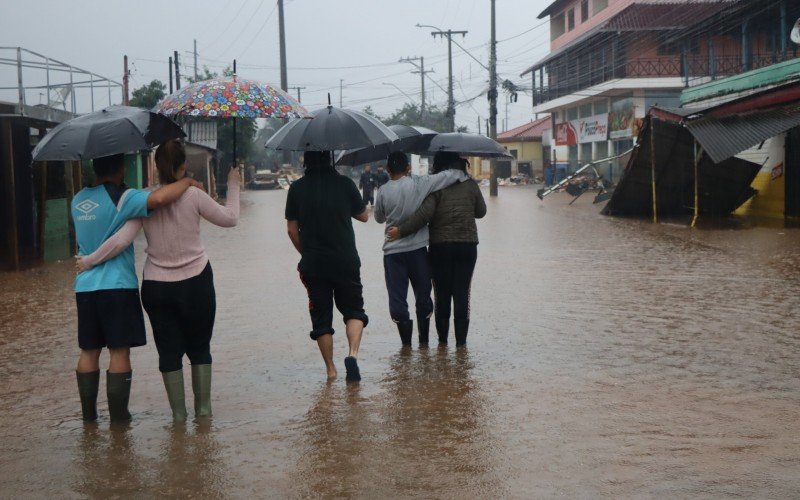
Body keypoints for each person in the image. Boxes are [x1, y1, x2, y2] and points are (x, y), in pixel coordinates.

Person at [77, 140, 240, 422]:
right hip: (196, 282)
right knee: (200, 349)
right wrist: (233, 184)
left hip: (157, 287)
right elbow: (231, 218)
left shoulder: (140, 200)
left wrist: (89, 260)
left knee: (168, 352)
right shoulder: (194, 195)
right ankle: (203, 413)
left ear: (154, 166)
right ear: (183, 165)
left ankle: (178, 417)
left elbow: (120, 241)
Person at [387, 152, 486, 347]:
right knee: (462, 293)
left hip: (440, 247)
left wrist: (400, 231)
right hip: (467, 245)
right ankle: (461, 345)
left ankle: (442, 343)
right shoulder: (471, 185)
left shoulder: (436, 188)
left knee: (442, 293)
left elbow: (423, 216)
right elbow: (481, 212)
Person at [286, 150, 369, 381]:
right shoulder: (345, 183)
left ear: (306, 161)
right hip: (346, 260)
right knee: (354, 311)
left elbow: (292, 230)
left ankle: (331, 371)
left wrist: (308, 253)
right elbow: (364, 217)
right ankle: (352, 355)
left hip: (314, 264)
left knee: (321, 319)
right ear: (330, 159)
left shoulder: (296, 188)